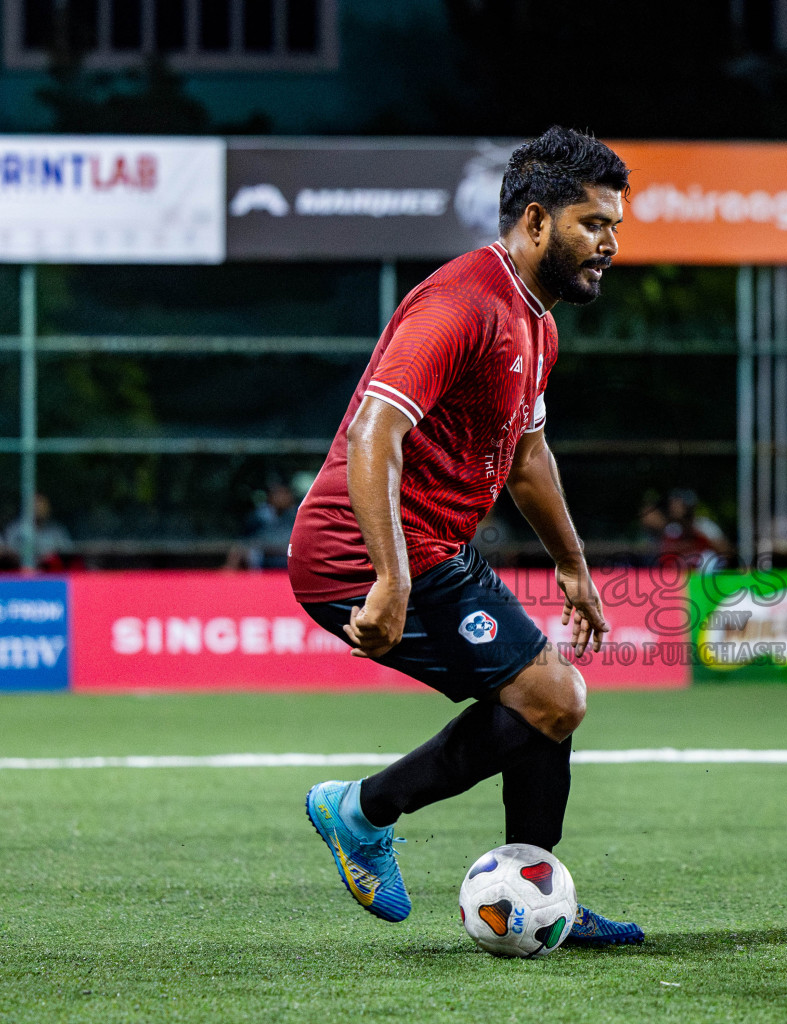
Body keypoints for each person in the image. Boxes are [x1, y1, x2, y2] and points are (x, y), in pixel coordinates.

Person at [289, 127, 642, 946]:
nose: (610, 244)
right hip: (358, 554)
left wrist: (573, 565)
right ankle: (362, 811)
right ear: (535, 220)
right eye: (593, 224)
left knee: (547, 702)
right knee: (554, 698)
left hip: (433, 552)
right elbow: (376, 431)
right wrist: (389, 579)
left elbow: (526, 455)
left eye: (615, 227)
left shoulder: (537, 324)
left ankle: (532, 894)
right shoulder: (462, 302)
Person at [4, 493, 74, 571]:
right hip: (19, 573)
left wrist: (48, 559)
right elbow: (7, 553)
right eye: (36, 506)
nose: (39, 510)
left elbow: (67, 552)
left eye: (42, 507)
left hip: (51, 574)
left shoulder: (57, 530)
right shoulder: (15, 529)